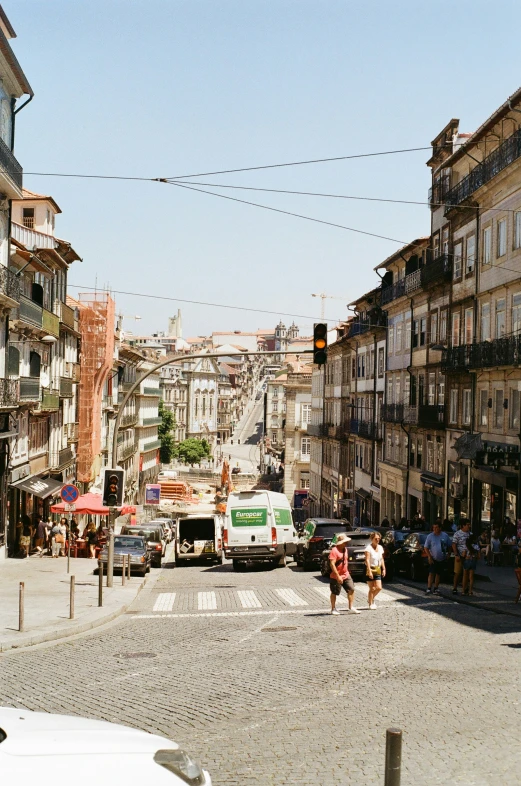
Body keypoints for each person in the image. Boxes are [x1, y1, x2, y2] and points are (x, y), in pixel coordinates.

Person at [328, 533, 360, 615]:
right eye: (344, 542)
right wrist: (338, 576)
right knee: (334, 592)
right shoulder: (334, 551)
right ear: (340, 543)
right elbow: (332, 564)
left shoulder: (345, 549)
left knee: (351, 589)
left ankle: (351, 607)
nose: (346, 543)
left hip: (346, 574)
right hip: (336, 576)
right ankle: (333, 608)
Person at [424, 520, 452, 594]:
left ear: (440, 528)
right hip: (433, 557)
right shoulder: (430, 536)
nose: (435, 529)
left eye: (436, 527)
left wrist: (449, 554)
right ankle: (429, 587)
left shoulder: (444, 535)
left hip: (442, 557)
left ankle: (436, 588)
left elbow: (449, 545)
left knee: (438, 573)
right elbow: (426, 547)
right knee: (431, 573)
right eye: (434, 528)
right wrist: (429, 556)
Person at [365, 531, 385, 610]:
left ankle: (371, 598)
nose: (377, 540)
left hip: (377, 569)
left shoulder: (380, 547)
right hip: (370, 568)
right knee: (372, 588)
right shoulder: (368, 548)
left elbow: (381, 558)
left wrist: (384, 569)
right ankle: (370, 603)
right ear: (372, 539)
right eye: (376, 539)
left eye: (378, 539)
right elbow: (367, 560)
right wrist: (369, 570)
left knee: (379, 587)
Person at [452, 519, 471, 594]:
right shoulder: (457, 534)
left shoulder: (470, 534)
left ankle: (465, 588)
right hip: (460, 556)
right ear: (463, 525)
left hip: (468, 556)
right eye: (467, 524)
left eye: (469, 524)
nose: (469, 526)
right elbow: (454, 544)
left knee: (466, 573)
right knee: (458, 572)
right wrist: (456, 554)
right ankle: (455, 587)